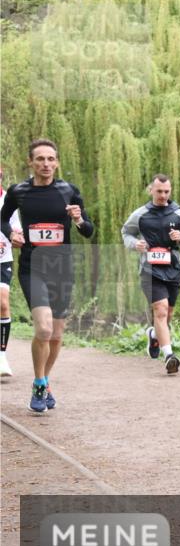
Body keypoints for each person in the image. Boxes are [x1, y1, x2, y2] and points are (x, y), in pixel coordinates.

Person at [1, 139, 95, 412]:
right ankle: (40, 383)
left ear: (57, 162)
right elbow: (2, 218)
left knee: (56, 334)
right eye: (40, 159)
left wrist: (78, 219)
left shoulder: (69, 191)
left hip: (62, 269)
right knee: (43, 328)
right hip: (33, 268)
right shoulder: (19, 191)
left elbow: (89, 231)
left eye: (51, 159)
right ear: (30, 162)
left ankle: (44, 379)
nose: (46, 164)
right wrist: (11, 233)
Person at [121, 174, 180, 375]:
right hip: (150, 269)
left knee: (168, 314)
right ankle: (169, 356)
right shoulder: (140, 214)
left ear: (170, 191)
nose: (163, 195)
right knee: (160, 310)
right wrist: (134, 244)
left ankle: (153, 334)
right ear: (151, 191)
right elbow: (126, 233)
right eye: (159, 191)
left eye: (166, 191)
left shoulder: (179, 215)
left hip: (173, 268)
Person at [0, 167, 15, 377]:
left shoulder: (9, 201)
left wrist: (16, 236)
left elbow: (14, 226)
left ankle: (1, 356)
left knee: (2, 303)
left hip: (2, 258)